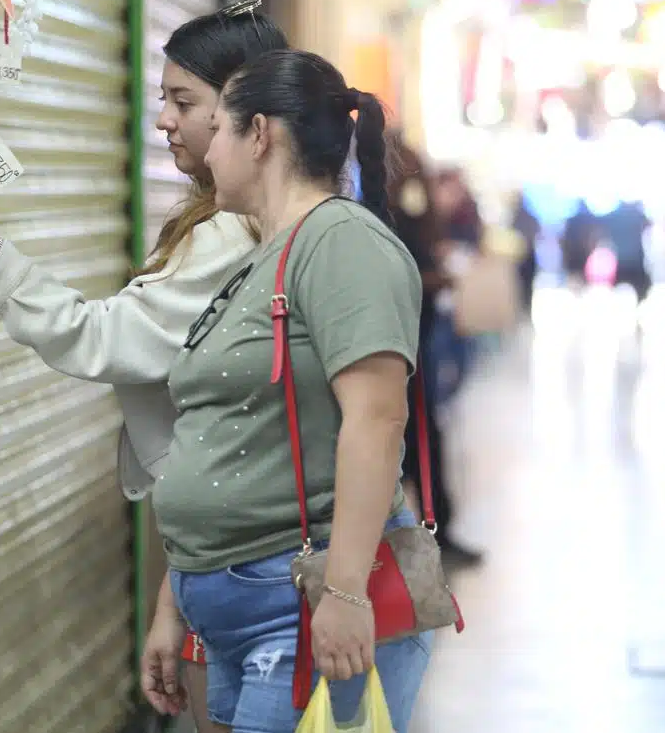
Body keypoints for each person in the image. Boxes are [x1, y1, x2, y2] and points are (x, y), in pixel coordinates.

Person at [0, 3, 288, 733]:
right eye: (162, 100)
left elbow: (99, 337)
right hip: (223, 549)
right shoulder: (249, 221)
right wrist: (174, 598)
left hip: (249, 565)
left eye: (183, 102)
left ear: (246, 113)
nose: (164, 122)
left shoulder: (235, 234)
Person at [149, 48, 431, 732]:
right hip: (237, 610)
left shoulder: (340, 242)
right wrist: (173, 603)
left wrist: (345, 590)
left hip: (299, 605)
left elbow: (377, 418)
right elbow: (230, 435)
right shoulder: (265, 255)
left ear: (261, 134)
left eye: (217, 129)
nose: (204, 151)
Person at [388, 135, 484, 567]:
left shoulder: (405, 208)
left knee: (423, 440)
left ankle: (433, 526)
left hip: (413, 346)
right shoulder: (388, 211)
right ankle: (425, 528)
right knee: (414, 441)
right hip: (400, 351)